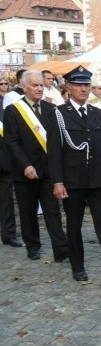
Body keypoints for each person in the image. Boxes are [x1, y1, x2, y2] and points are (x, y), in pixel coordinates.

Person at [47, 66, 101, 284]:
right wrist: (57, 181)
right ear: (68, 87)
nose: (83, 89)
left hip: (97, 179)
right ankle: (78, 266)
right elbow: (54, 152)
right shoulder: (59, 115)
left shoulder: (98, 114)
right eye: (78, 85)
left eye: (86, 85)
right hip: (72, 181)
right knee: (74, 225)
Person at [3, 70, 69, 262]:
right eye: (34, 85)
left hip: (48, 170)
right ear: (23, 86)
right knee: (28, 211)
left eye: (41, 85)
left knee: (53, 211)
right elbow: (11, 141)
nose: (39, 88)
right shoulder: (13, 110)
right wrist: (25, 165)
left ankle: (61, 249)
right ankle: (33, 245)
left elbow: (56, 141)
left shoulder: (51, 109)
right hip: (25, 171)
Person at [0, 77, 23, 248]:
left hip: (3, 159)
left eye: (4, 83)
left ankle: (8, 234)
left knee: (6, 200)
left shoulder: (8, 103)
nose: (3, 86)